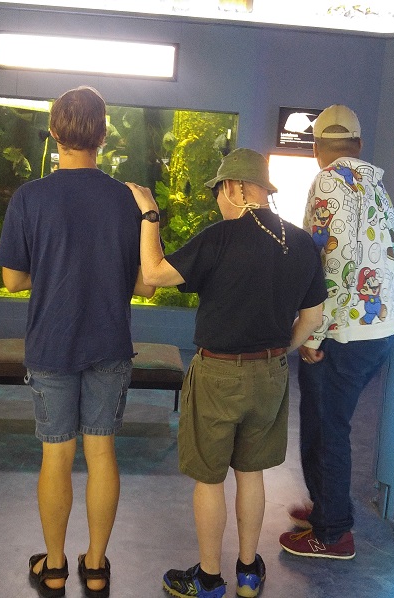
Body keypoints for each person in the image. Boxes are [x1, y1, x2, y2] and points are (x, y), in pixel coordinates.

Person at [127, 148, 326, 598]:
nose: (218, 199)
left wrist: (150, 217)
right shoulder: (300, 243)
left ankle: (210, 578)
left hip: (218, 374)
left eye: (219, 190)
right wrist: (281, 352)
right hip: (271, 375)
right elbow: (312, 319)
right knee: (252, 474)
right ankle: (250, 573)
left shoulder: (220, 237)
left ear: (235, 187)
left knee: (210, 477)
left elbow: (154, 274)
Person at [0, 86, 155, 598]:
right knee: (102, 454)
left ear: (54, 133)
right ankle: (96, 564)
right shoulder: (127, 199)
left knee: (55, 457)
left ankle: (57, 566)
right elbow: (146, 284)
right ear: (104, 134)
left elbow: (12, 281)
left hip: (51, 344)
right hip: (109, 341)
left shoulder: (30, 197)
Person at [279, 104, 394, 560]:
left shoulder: (329, 180)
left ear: (316, 149)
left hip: (343, 331)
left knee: (328, 426)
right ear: (359, 144)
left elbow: (331, 261)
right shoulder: (376, 184)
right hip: (379, 326)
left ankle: (332, 532)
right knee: (327, 422)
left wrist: (312, 333)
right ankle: (325, 507)